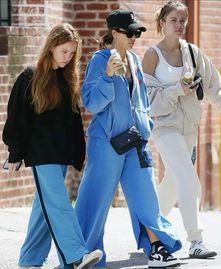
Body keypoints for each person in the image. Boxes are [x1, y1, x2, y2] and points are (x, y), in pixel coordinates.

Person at [74, 10, 182, 269]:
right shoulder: (100, 61)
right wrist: (109, 77)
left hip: (135, 141)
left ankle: (157, 249)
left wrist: (146, 128)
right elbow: (92, 103)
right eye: (130, 33)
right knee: (96, 200)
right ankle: (83, 254)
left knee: (145, 196)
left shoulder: (134, 60)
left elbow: (140, 101)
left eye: (137, 32)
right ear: (114, 33)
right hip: (106, 144)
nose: (135, 37)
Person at [2, 23, 103, 269]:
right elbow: (17, 117)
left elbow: (72, 121)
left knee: (43, 206)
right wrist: (15, 152)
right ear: (51, 48)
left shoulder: (66, 81)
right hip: (40, 154)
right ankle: (77, 254)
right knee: (58, 203)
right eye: (64, 52)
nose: (68, 58)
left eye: (72, 54)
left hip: (59, 155)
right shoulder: (29, 76)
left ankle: (30, 259)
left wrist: (78, 153)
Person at [142, 0, 221, 259]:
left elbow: (215, 86)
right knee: (187, 178)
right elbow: (146, 100)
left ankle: (150, 227)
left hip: (189, 128)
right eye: (174, 20)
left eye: (183, 20)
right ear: (162, 23)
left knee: (173, 182)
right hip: (164, 126)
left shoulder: (193, 53)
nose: (180, 25)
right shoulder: (152, 56)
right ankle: (196, 240)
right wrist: (177, 91)